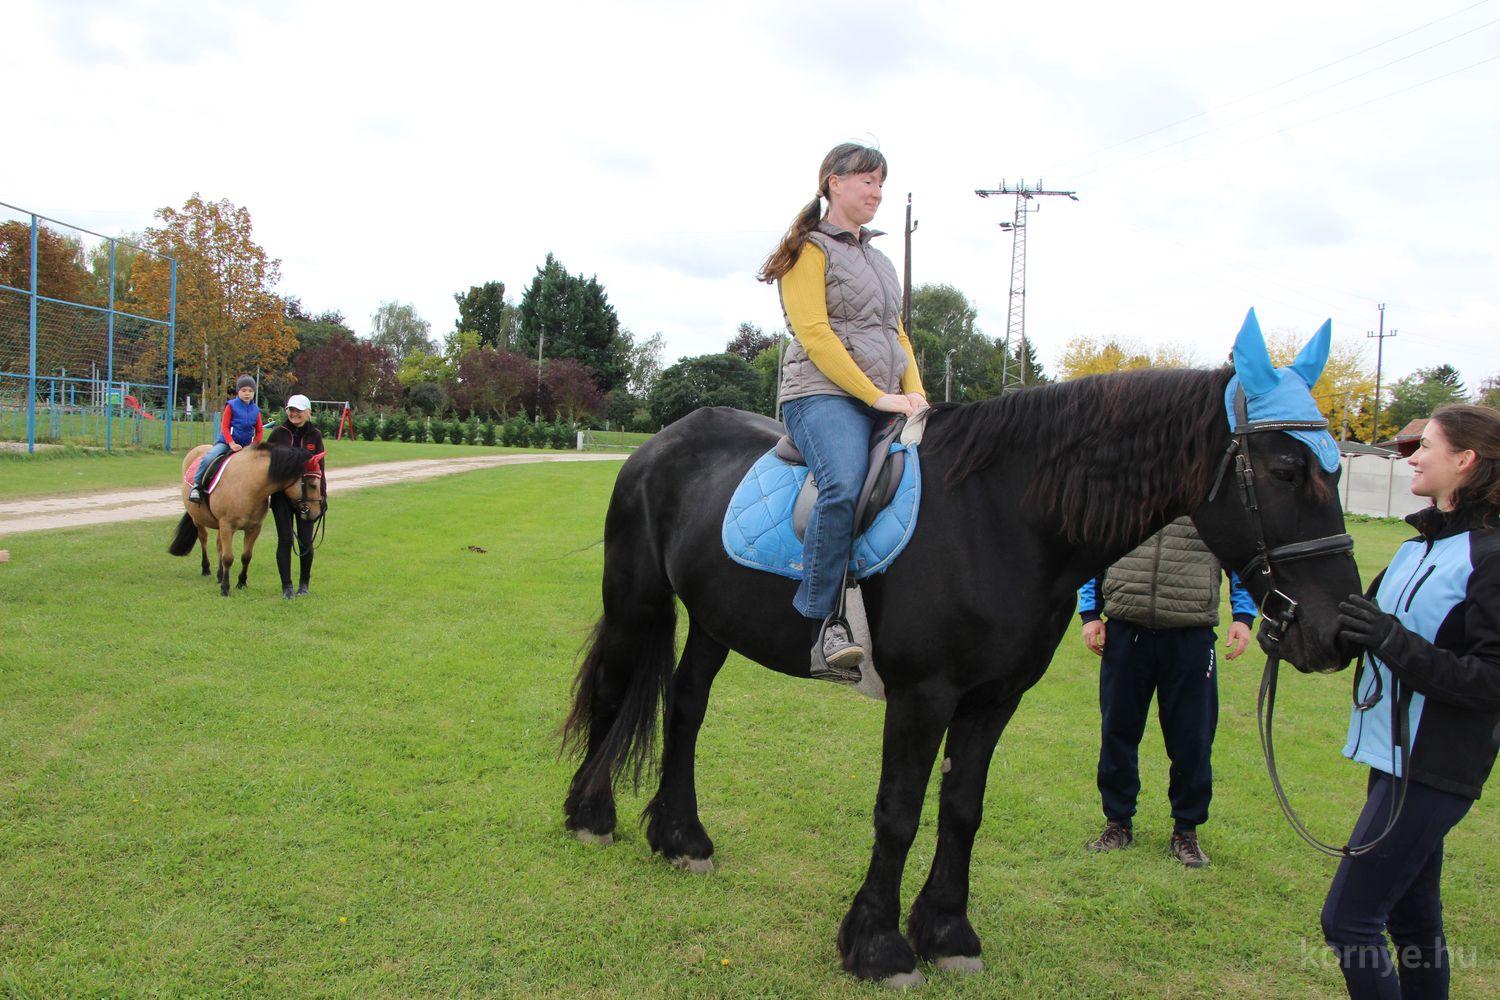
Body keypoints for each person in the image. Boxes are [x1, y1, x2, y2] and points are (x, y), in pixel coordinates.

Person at [1321, 403, 1500, 999]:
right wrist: (1299, 630)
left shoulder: (1491, 558)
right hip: (1391, 758)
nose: (1413, 458)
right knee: (1413, 921)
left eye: (1426, 445)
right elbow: (1362, 633)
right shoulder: (1411, 548)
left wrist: (1390, 639)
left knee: (1349, 922)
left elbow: (1490, 681)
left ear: (1466, 460)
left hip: (1436, 765)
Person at [757, 142, 927, 682]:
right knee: (844, 482)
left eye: (881, 183)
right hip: (819, 395)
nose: (877, 192)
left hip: (886, 396)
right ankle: (825, 622)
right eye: (867, 181)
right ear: (834, 182)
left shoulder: (880, 262)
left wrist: (917, 395)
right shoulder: (807, 250)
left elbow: (897, 336)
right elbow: (815, 334)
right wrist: (877, 397)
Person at [1077, 516, 1257, 867]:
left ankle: (1186, 830)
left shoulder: (1210, 505)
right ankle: (1117, 822)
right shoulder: (1126, 500)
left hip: (1190, 633)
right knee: (1117, 731)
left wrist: (1243, 616)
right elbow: (1094, 553)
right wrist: (1090, 613)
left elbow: (1239, 560)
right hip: (1126, 631)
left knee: (1193, 737)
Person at [266, 394, 326, 599]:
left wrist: (322, 496)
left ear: (308, 412)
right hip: (281, 497)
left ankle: (304, 585)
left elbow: (320, 469)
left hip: (306, 498)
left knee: (305, 541)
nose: (294, 414)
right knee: (284, 540)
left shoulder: (315, 435)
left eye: (299, 410)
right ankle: (287, 587)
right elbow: (268, 466)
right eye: (291, 410)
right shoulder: (277, 434)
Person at [189, 374, 263, 503]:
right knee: (209, 457)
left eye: (250, 391)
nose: (247, 393)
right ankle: (197, 486)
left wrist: (255, 445)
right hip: (226, 443)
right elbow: (224, 426)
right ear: (238, 391)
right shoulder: (231, 406)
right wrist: (231, 443)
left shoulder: (256, 410)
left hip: (247, 447)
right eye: (244, 390)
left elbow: (259, 430)